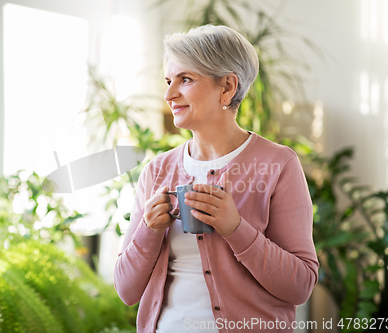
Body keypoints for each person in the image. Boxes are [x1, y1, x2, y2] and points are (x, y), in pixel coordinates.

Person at [114, 25, 318, 333]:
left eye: (185, 79)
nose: (169, 94)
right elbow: (126, 291)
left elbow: (300, 286)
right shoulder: (157, 171)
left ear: (226, 87)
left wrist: (235, 229)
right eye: (169, 81)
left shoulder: (278, 165)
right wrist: (149, 229)